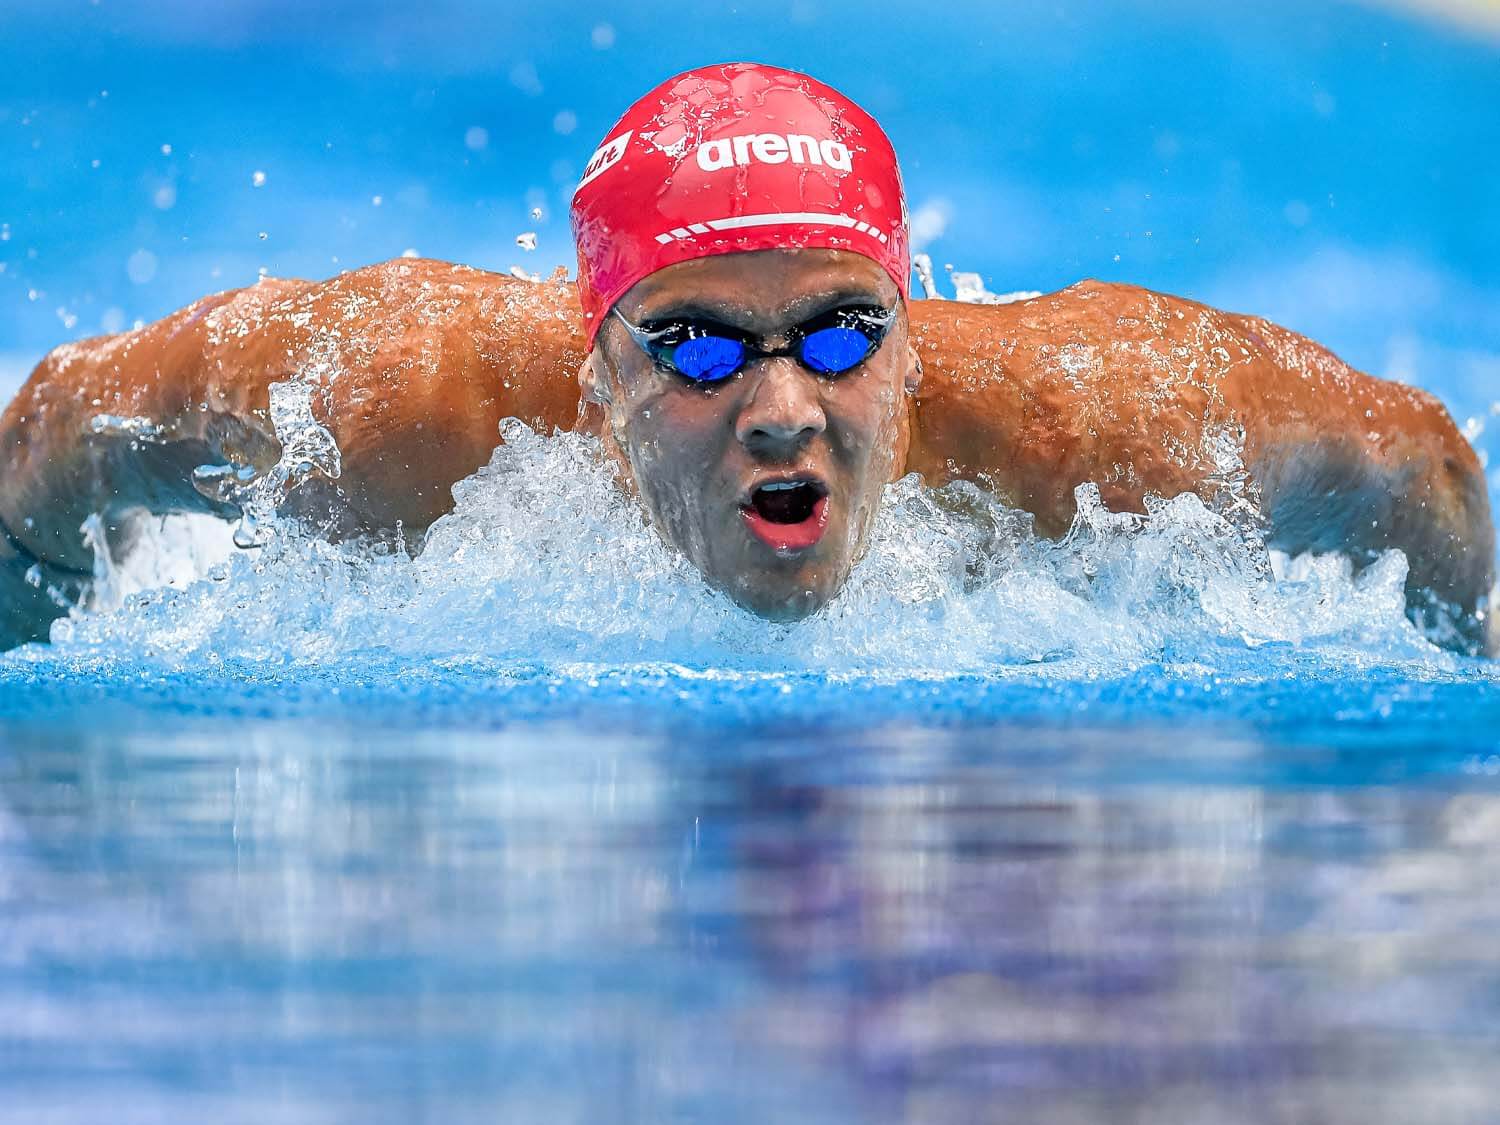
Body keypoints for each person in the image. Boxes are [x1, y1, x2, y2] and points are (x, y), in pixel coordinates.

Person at [0, 63, 1493, 653]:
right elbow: (57, 430)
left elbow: (1421, 460)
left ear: (909, 339)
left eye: (844, 332)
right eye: (697, 347)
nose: (784, 409)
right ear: (596, 376)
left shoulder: (1102, 435)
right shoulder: (395, 413)